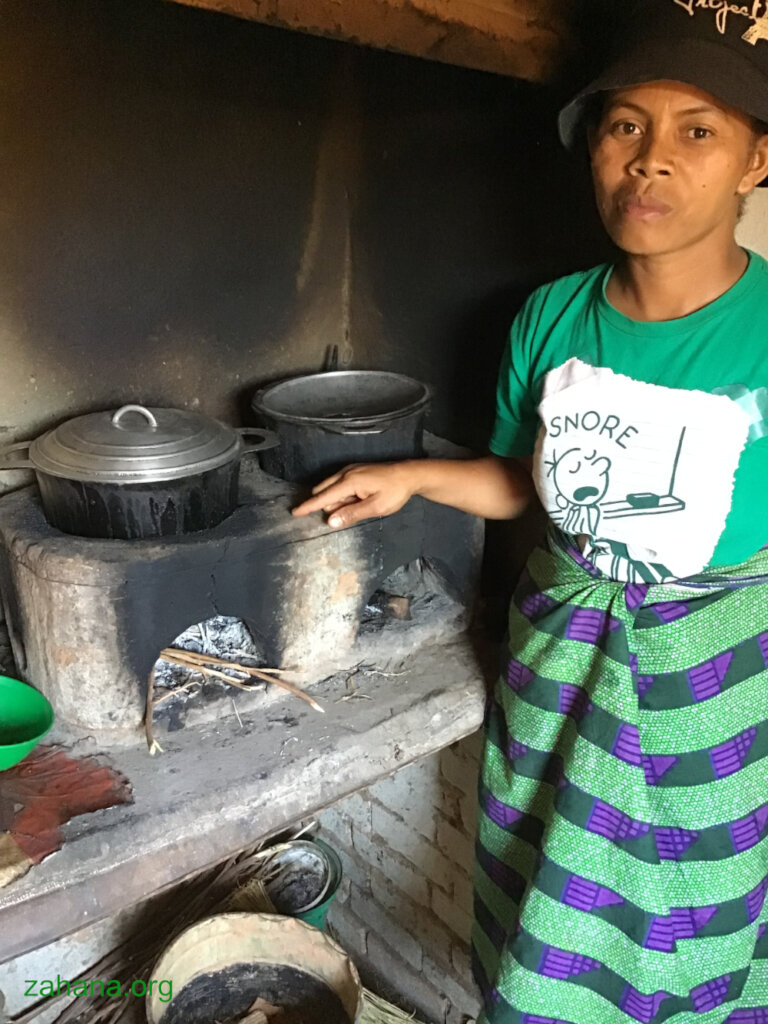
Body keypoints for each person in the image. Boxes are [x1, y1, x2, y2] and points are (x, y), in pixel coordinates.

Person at [293, 1, 768, 1019]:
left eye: (697, 131)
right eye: (623, 126)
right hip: (558, 671)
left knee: (700, 927)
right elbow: (529, 481)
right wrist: (415, 478)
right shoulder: (551, 317)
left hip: (716, 688)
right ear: (595, 151)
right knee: (549, 908)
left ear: (755, 163)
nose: (649, 159)